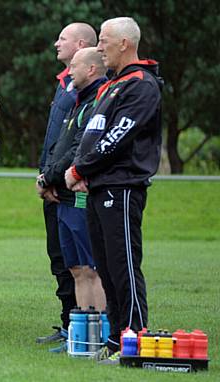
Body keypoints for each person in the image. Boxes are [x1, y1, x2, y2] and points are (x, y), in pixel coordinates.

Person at [65, 17, 162, 365]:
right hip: (97, 186)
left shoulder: (142, 84)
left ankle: (134, 334)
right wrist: (80, 170)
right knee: (105, 266)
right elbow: (93, 132)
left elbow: (119, 135)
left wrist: (80, 168)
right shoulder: (110, 86)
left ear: (125, 43)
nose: (99, 47)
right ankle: (114, 336)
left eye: (104, 41)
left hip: (121, 186)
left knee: (123, 264)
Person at [36, 23, 97, 350]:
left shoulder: (89, 92)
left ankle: (86, 329)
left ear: (82, 45)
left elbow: (77, 142)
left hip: (71, 188)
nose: (56, 43)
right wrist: (44, 175)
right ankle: (69, 324)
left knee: (85, 264)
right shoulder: (65, 85)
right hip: (54, 183)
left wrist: (55, 177)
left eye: (63, 39)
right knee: (62, 260)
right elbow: (55, 140)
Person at [38, 47, 107, 316]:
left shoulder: (95, 103)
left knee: (92, 268)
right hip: (63, 194)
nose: (69, 72)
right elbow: (61, 147)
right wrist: (49, 178)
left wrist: (49, 177)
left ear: (91, 69)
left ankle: (101, 335)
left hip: (78, 196)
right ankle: (80, 336)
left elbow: (78, 149)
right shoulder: (78, 100)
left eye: (74, 66)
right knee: (76, 268)